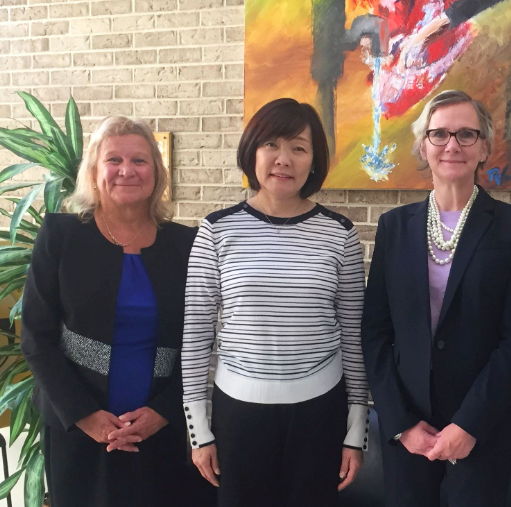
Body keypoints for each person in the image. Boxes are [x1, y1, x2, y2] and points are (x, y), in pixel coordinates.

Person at [182, 98, 370, 507]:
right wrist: (199, 430)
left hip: (320, 412)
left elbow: (355, 339)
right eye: (272, 144)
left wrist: (356, 431)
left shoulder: (340, 234)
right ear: (252, 152)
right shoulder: (216, 230)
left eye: (299, 148)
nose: (284, 159)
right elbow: (196, 336)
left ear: (314, 160)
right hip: (238, 413)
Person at [361, 89, 511, 507]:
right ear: (423, 145)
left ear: (484, 146)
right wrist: (400, 423)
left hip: (483, 426)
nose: (452, 145)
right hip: (409, 427)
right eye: (439, 134)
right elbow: (374, 333)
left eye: (465, 134)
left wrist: (470, 424)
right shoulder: (394, 227)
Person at [21, 116, 210, 507]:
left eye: (140, 161)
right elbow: (37, 337)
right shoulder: (60, 236)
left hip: (162, 429)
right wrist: (86, 416)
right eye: (114, 160)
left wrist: (164, 411)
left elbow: (202, 341)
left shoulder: (187, 244)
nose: (127, 170)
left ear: (157, 174)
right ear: (94, 171)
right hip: (80, 429)